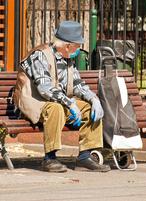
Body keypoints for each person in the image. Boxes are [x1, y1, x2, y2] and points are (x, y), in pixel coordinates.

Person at [14, 21, 111, 173]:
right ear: (67, 46)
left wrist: (94, 99)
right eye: (77, 45)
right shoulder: (40, 56)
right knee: (56, 108)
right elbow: (45, 88)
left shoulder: (67, 58)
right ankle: (50, 158)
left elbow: (78, 84)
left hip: (58, 101)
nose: (79, 49)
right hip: (35, 102)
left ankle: (85, 157)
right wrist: (69, 104)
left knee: (89, 109)